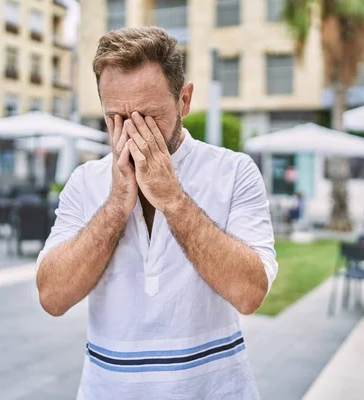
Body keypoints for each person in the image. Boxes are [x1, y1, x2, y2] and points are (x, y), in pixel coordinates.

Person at [36, 27, 278, 400]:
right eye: (115, 116)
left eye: (149, 116)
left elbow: (250, 294)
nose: (132, 132)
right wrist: (117, 205)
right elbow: (52, 297)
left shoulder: (235, 172)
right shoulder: (84, 181)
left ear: (184, 100)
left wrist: (174, 200)